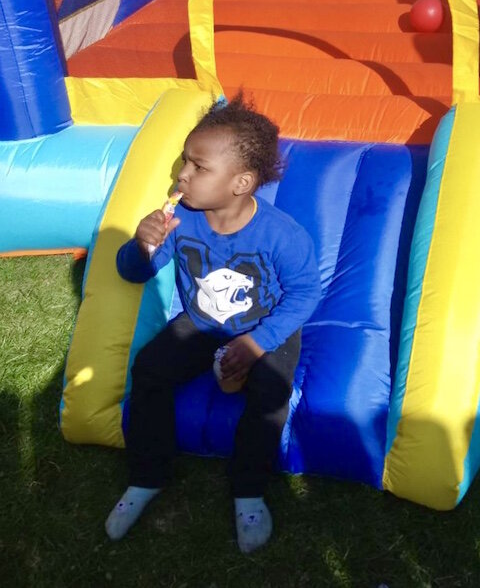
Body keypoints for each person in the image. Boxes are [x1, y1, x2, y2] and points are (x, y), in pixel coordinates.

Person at [105, 94, 321, 553]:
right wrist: (142, 247)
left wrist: (259, 343)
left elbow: (305, 294)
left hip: (266, 326)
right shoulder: (177, 219)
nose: (181, 174)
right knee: (149, 370)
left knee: (270, 393)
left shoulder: (283, 235)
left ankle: (249, 490)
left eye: (198, 167)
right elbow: (132, 272)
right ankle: (147, 476)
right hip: (202, 322)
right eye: (184, 161)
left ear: (241, 182)